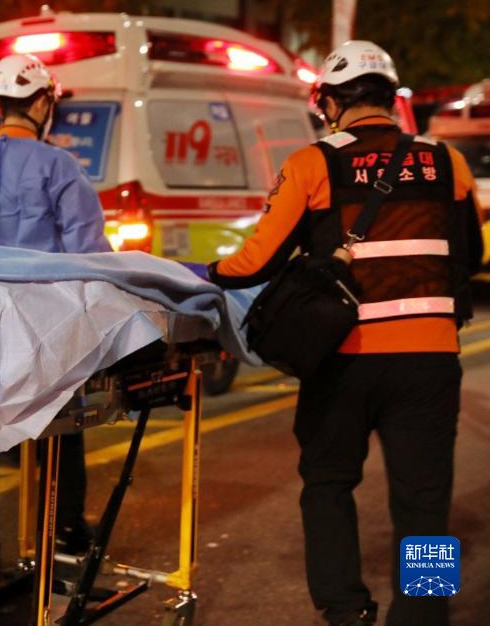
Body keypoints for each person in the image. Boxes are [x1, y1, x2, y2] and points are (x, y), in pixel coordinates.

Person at [207, 41, 484, 626]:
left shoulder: (313, 162)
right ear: (388, 98)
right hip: (430, 359)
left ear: (330, 102)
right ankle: (424, 616)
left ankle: (345, 610)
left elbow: (254, 263)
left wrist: (202, 274)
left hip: (343, 358)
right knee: (425, 502)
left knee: (328, 483)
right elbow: (473, 255)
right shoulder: (447, 162)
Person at [0, 53, 112, 584]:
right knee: (61, 425)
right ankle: (63, 535)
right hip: (42, 325)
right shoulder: (59, 165)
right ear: (41, 104)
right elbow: (89, 253)